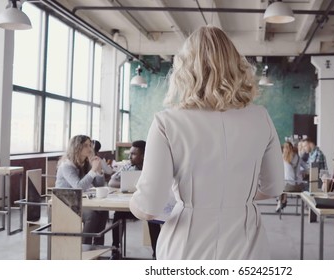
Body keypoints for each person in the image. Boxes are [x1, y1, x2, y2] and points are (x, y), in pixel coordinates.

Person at [129, 26, 284, 259]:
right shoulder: (260, 117)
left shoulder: (167, 122)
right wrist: (235, 196)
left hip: (186, 247)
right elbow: (273, 187)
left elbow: (149, 207)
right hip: (247, 246)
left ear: (185, 68)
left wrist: (135, 203)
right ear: (235, 65)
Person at [107, 140, 161, 260]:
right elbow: (111, 182)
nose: (129, 156)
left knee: (152, 218)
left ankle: (156, 253)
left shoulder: (153, 168)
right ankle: (115, 249)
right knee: (118, 215)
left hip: (147, 204)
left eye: (133, 154)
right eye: (130, 153)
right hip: (130, 205)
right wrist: (127, 184)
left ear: (143, 156)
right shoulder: (128, 167)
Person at [55, 135, 108, 246]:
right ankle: (84, 247)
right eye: (85, 146)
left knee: (103, 211)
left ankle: (97, 247)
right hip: (65, 203)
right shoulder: (67, 165)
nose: (89, 148)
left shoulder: (85, 162)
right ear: (77, 147)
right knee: (92, 215)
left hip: (80, 201)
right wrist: (93, 170)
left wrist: (98, 171)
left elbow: (99, 185)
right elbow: (79, 187)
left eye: (90, 145)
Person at [276, 142, 304, 213]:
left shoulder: (282, 158)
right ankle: (282, 200)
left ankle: (282, 201)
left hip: (289, 187)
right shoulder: (298, 157)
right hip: (299, 186)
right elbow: (306, 167)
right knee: (284, 184)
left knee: (280, 185)